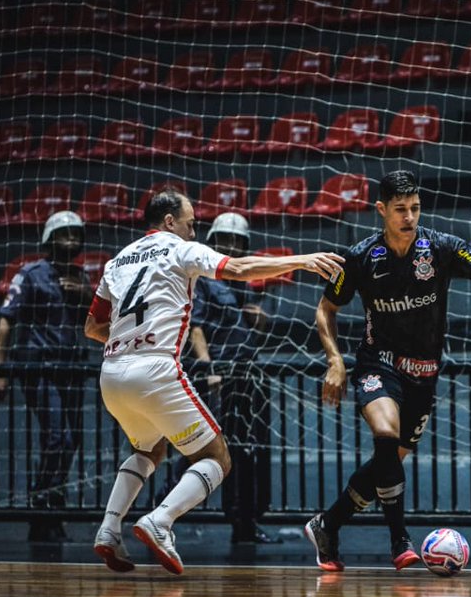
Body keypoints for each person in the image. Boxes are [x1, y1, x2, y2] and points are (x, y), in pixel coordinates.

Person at [84, 190, 343, 575]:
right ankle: (161, 520)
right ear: (169, 222)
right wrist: (302, 260)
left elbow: (92, 328)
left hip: (112, 372)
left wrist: (129, 342)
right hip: (155, 368)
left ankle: (108, 529)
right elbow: (239, 269)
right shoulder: (180, 249)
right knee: (216, 458)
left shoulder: (117, 261)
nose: (193, 230)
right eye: (190, 223)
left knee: (149, 451)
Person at [305, 170, 471, 572]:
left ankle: (328, 524)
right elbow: (326, 309)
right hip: (378, 363)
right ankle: (400, 541)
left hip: (424, 374)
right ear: (382, 210)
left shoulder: (442, 247)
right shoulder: (361, 256)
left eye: (414, 208)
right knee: (386, 435)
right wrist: (335, 361)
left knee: (387, 462)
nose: (408, 217)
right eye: (399, 210)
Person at [161, 212, 281, 545]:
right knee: (210, 450)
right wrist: (209, 367)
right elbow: (196, 327)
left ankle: (243, 521)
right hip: (221, 376)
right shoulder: (205, 279)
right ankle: (163, 511)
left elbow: (248, 325)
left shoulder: (238, 283)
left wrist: (257, 319)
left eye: (236, 242)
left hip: (246, 374)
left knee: (243, 450)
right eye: (225, 241)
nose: (230, 246)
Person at [0, 210, 93, 541]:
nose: (72, 239)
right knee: (58, 438)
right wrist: (1, 372)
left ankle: (48, 506)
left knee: (72, 440)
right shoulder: (30, 274)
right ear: (49, 240)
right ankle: (43, 507)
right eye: (64, 232)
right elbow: (6, 322)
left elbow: (95, 324)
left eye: (76, 233)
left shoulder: (82, 278)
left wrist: (84, 296)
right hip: (39, 367)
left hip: (71, 368)